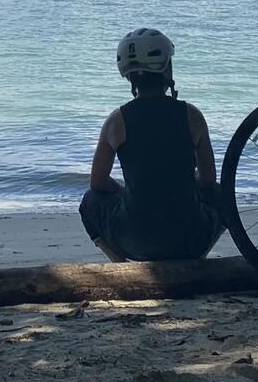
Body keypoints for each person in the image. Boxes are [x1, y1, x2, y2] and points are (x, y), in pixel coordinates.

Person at [78, 27, 224, 262]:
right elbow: (208, 180)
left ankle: (119, 263)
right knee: (220, 193)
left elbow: (98, 182)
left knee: (90, 201)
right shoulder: (192, 116)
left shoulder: (116, 121)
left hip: (133, 240)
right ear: (166, 69)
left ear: (128, 76)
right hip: (189, 239)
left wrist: (126, 192)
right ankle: (197, 261)